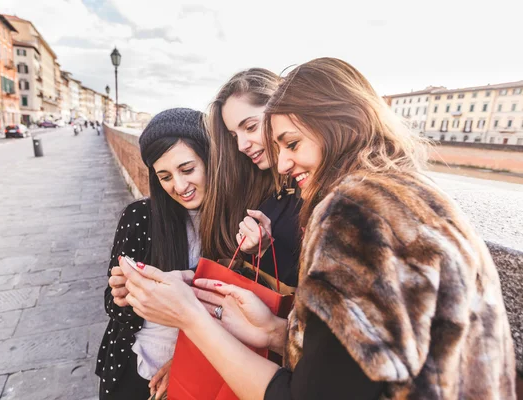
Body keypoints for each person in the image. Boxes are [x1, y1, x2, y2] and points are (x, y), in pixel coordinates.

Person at [118, 58, 516, 399]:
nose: (284, 163)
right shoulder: (409, 193)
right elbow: (365, 354)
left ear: (337, 124)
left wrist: (191, 318)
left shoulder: (355, 211)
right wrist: (276, 331)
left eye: (290, 143)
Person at [95, 108, 210, 399]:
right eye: (165, 176)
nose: (179, 186)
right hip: (135, 365)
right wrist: (124, 297)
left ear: (211, 160)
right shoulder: (140, 217)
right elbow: (112, 304)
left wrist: (186, 361)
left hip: (203, 366)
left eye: (187, 169)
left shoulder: (235, 224)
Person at [201, 68, 301, 287]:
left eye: (251, 127)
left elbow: (323, 286)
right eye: (234, 136)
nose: (241, 146)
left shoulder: (311, 182)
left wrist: (266, 249)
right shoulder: (255, 181)